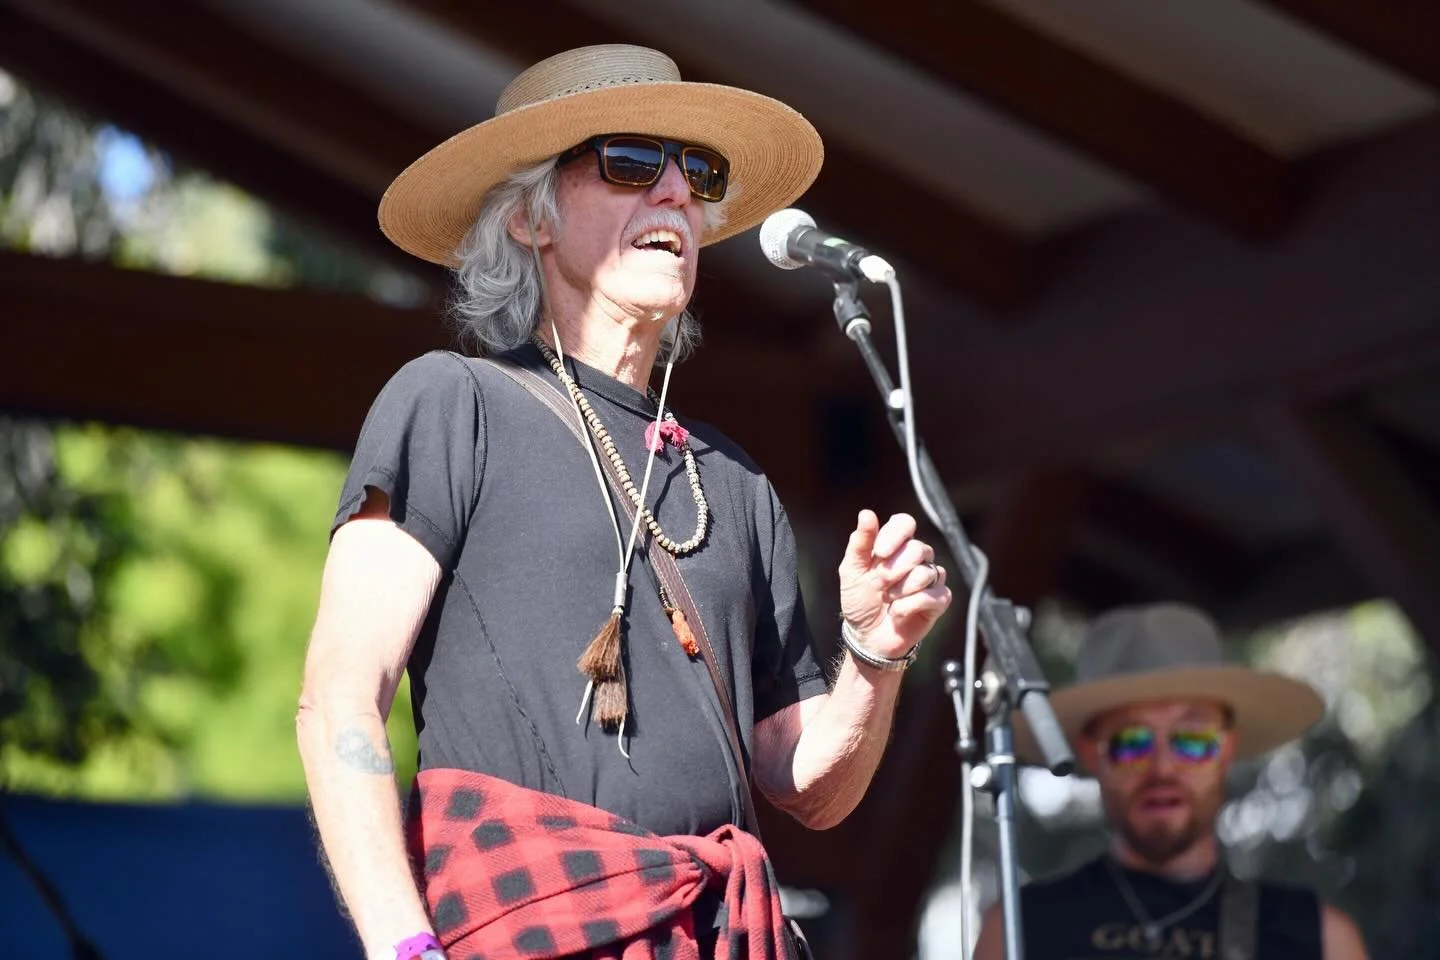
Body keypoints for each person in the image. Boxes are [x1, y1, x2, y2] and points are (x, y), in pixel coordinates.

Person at [295, 43, 953, 960]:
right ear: (530, 218)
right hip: (527, 928)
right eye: (632, 162)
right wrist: (404, 949)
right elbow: (338, 698)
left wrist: (875, 655)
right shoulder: (452, 403)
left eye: (697, 171)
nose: (677, 194)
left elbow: (807, 786)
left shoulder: (734, 481)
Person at [974, 602, 1369, 960]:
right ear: (1093, 754)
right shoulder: (1018, 929)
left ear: (1226, 750)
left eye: (1192, 740)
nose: (1162, 768)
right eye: (1131, 743)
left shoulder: (1323, 939)